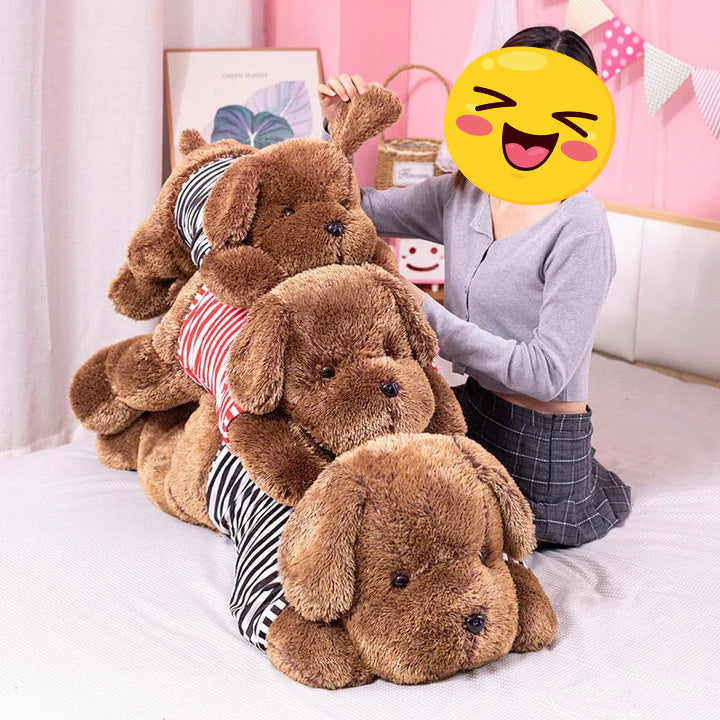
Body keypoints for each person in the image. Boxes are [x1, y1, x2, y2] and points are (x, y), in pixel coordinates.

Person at [318, 26, 631, 548]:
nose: (530, 123)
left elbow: (546, 374)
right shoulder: (464, 193)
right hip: (473, 412)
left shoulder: (581, 225)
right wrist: (338, 132)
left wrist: (421, 310)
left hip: (542, 445)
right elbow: (353, 211)